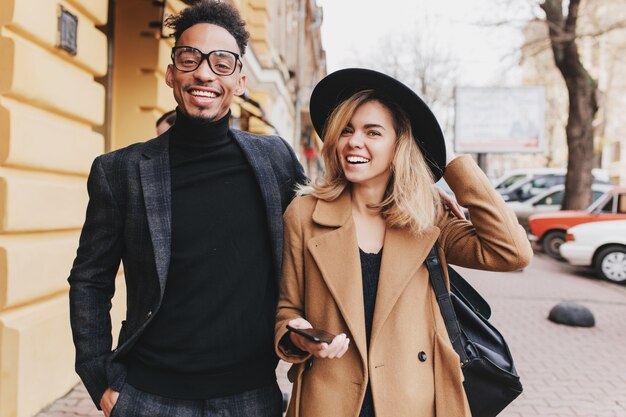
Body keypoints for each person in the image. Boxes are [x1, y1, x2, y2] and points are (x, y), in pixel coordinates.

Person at [68, 1, 306, 416]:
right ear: (171, 74)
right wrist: (100, 378)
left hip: (250, 396)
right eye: (190, 58)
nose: (204, 72)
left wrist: (421, 192)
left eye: (222, 62)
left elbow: (329, 221)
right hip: (149, 396)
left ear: (241, 80)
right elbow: (90, 279)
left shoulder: (275, 160)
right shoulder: (118, 171)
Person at [274, 68, 533, 417]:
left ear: (400, 144)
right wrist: (299, 335)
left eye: (373, 132)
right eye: (346, 130)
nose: (354, 142)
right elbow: (288, 310)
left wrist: (451, 165)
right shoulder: (305, 214)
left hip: (413, 400)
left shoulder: (426, 218)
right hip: (328, 400)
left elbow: (511, 252)